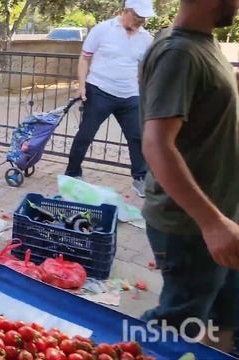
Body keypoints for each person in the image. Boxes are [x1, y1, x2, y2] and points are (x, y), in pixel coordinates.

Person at [139, 0, 239, 353]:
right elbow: (157, 145)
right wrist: (212, 223)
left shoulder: (200, 44)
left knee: (225, 317)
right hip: (191, 228)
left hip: (221, 219)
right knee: (173, 328)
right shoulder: (179, 53)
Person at [65, 0, 154, 198]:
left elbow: (146, 68)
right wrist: (82, 86)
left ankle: (140, 178)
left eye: (144, 18)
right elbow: (85, 57)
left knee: (137, 137)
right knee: (85, 134)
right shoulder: (102, 29)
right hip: (100, 91)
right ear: (126, 11)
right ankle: (72, 173)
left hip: (130, 95)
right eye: (138, 17)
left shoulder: (146, 38)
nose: (141, 21)